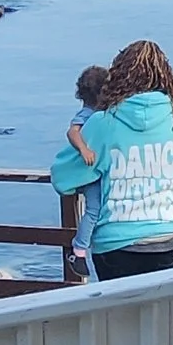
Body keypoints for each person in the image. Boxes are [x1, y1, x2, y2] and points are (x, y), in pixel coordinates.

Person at [52, 38, 173, 345]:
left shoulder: (105, 121)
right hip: (167, 238)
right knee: (167, 335)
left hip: (116, 244)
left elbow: (64, 176)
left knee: (118, 334)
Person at [64, 64, 115, 273]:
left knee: (101, 207)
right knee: (93, 209)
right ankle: (79, 251)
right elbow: (72, 132)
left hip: (97, 169)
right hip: (89, 172)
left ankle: (88, 245)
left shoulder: (100, 114)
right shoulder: (87, 113)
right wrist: (84, 149)